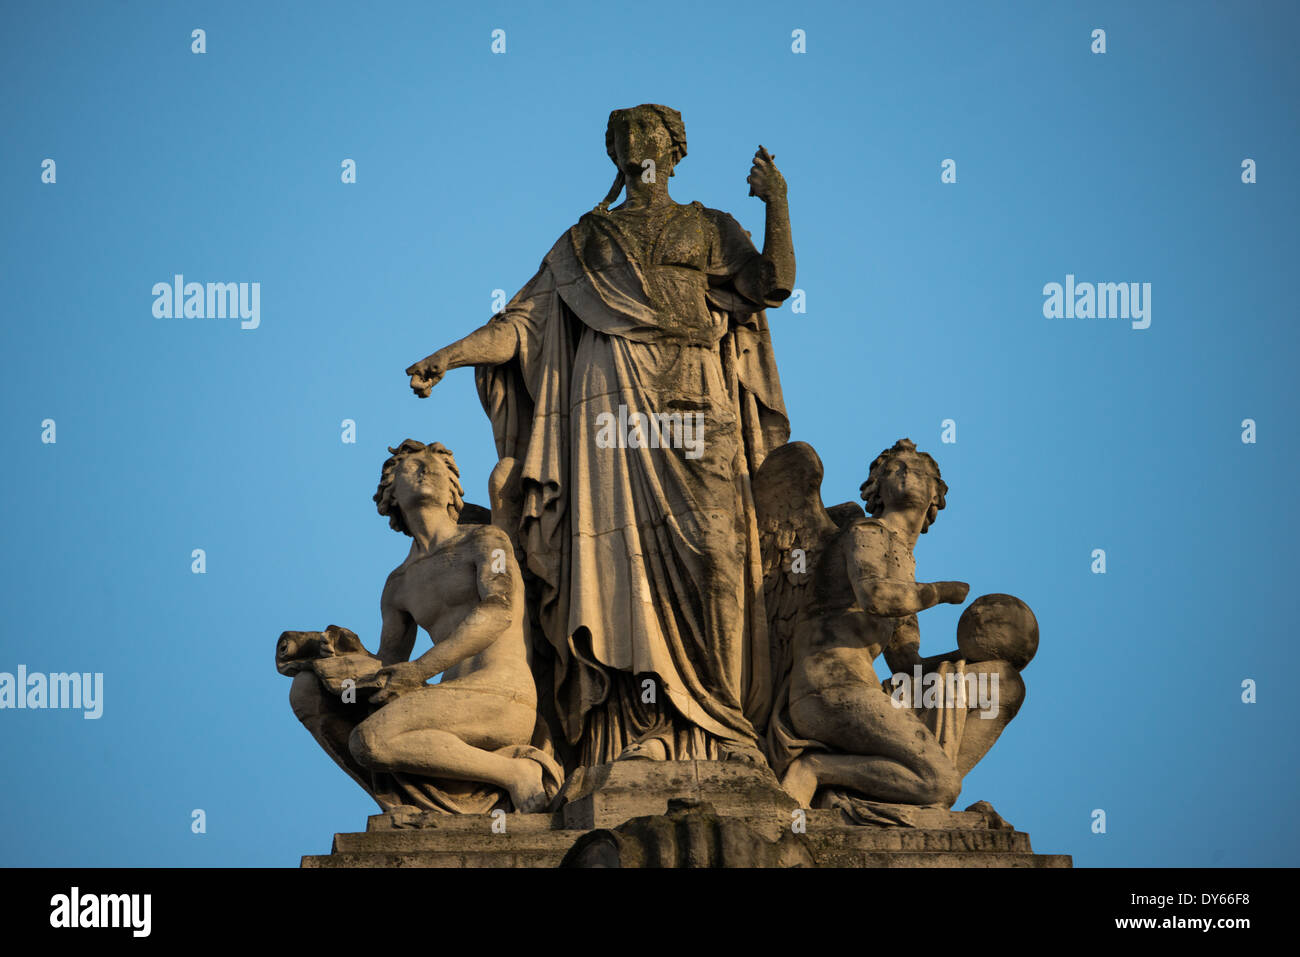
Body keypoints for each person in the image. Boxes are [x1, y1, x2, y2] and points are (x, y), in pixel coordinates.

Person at [405, 105, 795, 766]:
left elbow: (774, 282)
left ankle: (724, 727)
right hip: (606, 406)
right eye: (621, 134)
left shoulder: (710, 228)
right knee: (617, 562)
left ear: (674, 150)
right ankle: (635, 729)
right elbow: (518, 325)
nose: (633, 141)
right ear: (613, 153)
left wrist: (776, 205)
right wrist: (448, 355)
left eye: (647, 131)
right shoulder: (584, 242)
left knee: (721, 558)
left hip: (698, 398)